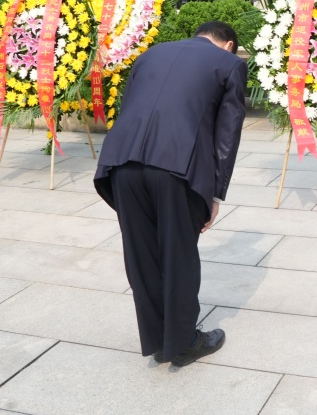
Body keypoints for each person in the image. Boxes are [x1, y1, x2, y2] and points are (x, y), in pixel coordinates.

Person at [94, 20, 246, 368]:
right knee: (178, 252)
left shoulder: (151, 54)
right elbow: (227, 135)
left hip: (122, 163)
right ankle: (183, 342)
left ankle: (158, 339)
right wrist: (216, 195)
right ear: (228, 45)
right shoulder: (230, 64)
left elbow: (132, 106)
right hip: (175, 167)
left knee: (141, 252)